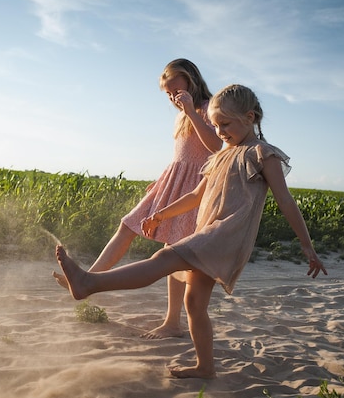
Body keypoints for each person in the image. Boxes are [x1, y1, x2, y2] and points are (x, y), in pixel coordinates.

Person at [55, 84, 327, 379]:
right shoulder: (221, 155)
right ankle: (205, 367)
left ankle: (88, 283)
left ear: (249, 117)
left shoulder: (262, 154)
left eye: (225, 124)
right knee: (194, 303)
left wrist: (307, 245)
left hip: (227, 235)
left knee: (165, 257)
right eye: (216, 124)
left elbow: (285, 200)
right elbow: (196, 195)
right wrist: (160, 213)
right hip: (210, 232)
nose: (220, 131)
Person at [53, 58, 222, 339]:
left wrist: (191, 111)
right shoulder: (183, 114)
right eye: (168, 95)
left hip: (197, 186)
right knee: (128, 225)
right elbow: (183, 156)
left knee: (174, 249)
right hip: (174, 182)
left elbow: (216, 147)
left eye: (176, 92)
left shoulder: (208, 109)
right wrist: (163, 180)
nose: (173, 99)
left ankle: (172, 322)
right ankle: (87, 278)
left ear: (191, 82)